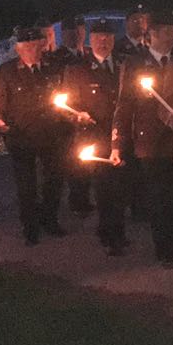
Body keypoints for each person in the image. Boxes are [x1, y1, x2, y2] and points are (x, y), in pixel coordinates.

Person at [113, 10, 173, 266]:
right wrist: (117, 143)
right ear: (152, 34)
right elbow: (124, 105)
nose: (172, 37)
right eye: (166, 32)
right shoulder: (135, 64)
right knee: (159, 197)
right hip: (150, 143)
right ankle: (164, 249)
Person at [0, 24, 73, 244]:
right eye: (28, 47)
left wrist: (72, 114)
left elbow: (65, 96)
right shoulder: (7, 72)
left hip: (51, 133)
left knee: (53, 181)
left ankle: (50, 219)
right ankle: (30, 227)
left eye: (36, 46)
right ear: (19, 48)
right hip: (21, 135)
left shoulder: (52, 67)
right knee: (26, 185)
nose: (33, 51)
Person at [61, 19, 126, 253]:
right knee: (105, 188)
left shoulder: (123, 65)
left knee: (121, 186)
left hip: (121, 134)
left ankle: (116, 230)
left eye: (108, 37)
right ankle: (110, 234)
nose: (103, 42)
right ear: (90, 40)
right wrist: (77, 115)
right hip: (95, 136)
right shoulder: (78, 69)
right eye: (98, 37)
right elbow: (67, 105)